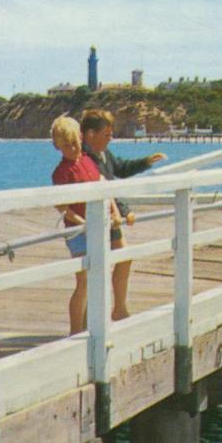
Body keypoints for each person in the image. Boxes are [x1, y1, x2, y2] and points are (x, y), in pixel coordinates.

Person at [79, 109, 167, 324]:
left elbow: (121, 168)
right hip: (96, 219)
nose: (110, 139)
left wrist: (146, 162)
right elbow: (103, 187)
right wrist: (124, 211)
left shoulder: (103, 154)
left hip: (111, 217)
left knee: (123, 257)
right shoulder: (84, 157)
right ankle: (87, 320)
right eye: (106, 135)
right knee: (95, 269)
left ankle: (118, 309)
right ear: (90, 134)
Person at [50, 116, 125, 333]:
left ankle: (88, 326)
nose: (73, 148)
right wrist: (81, 221)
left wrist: (115, 211)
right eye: (67, 146)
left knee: (95, 279)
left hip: (97, 229)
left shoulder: (87, 161)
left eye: (75, 143)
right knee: (83, 282)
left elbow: (103, 185)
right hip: (79, 233)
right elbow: (62, 206)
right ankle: (75, 331)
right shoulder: (62, 172)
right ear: (58, 147)